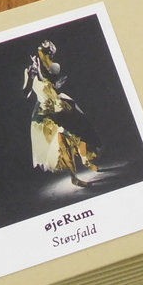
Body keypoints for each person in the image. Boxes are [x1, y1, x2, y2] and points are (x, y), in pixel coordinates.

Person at [23, 39, 98, 186]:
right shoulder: (30, 70)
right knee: (63, 139)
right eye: (42, 52)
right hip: (44, 113)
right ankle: (74, 177)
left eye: (46, 53)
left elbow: (48, 82)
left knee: (80, 131)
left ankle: (85, 160)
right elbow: (26, 92)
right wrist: (31, 77)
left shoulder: (54, 67)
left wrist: (39, 72)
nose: (43, 55)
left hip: (59, 106)